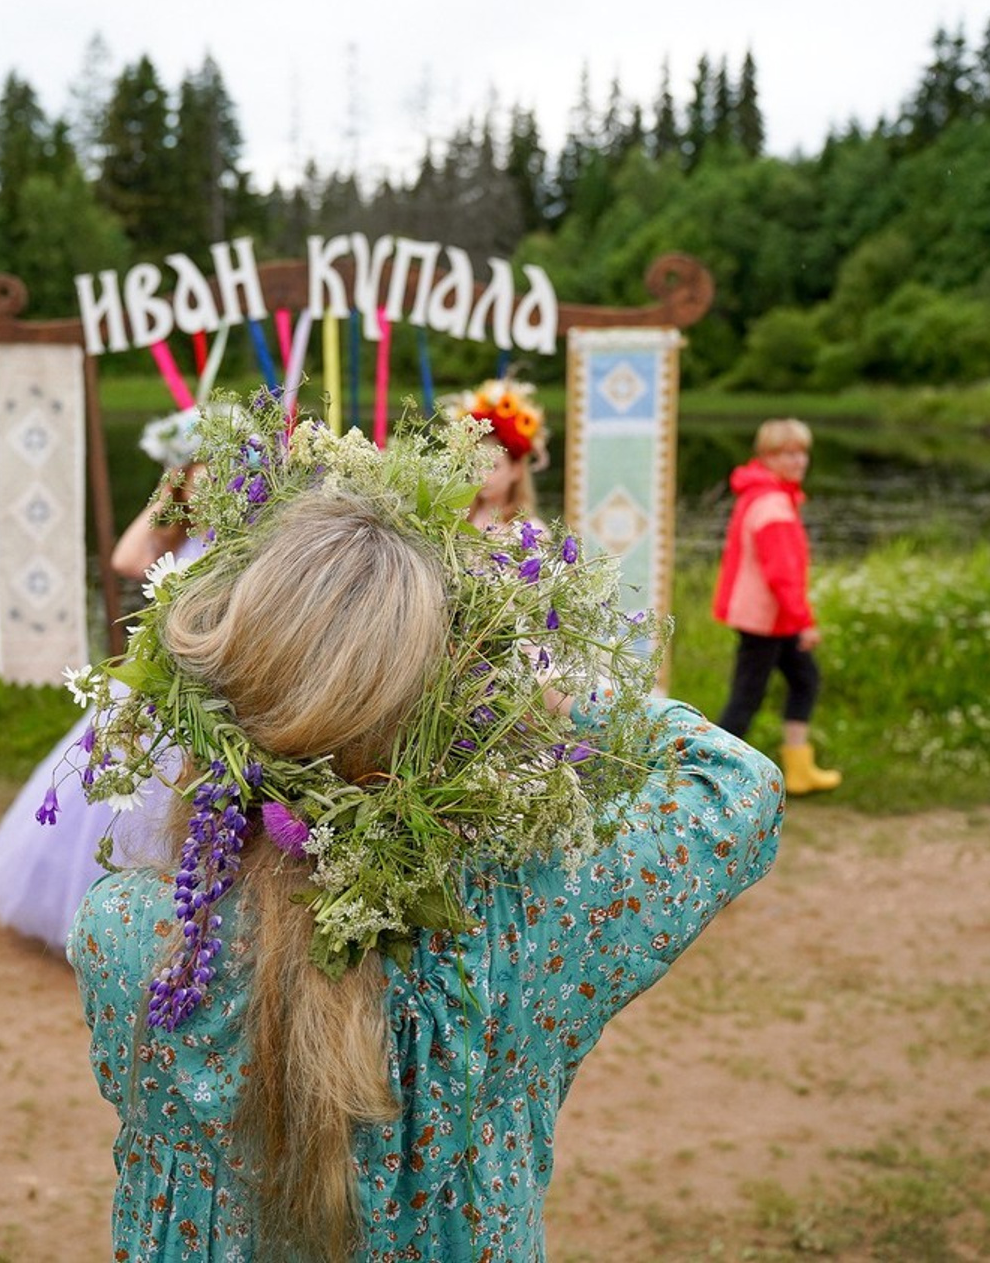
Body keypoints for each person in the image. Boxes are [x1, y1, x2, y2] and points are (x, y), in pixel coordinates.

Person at [66, 399, 783, 1262]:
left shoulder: (130, 940)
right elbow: (738, 785)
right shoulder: (520, 931)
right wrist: (545, 691)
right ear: (450, 707)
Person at [0, 410, 206, 953]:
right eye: (197, 474)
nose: (206, 486)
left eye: (217, 474)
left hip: (203, 691)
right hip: (153, 684)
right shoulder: (181, 539)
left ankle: (176, 926)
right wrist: (170, 485)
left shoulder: (240, 541)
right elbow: (126, 558)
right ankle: (92, 922)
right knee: (108, 793)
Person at [713, 417, 842, 796]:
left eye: (802, 452)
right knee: (747, 697)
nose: (799, 461)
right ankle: (708, 772)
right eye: (787, 453)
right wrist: (804, 621)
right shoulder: (773, 504)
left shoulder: (765, 494)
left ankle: (798, 768)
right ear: (766, 456)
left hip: (769, 615)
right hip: (767, 618)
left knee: (804, 680)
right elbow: (782, 574)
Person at [448, 377, 547, 529]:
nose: (482, 475)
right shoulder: (455, 523)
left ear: (516, 470)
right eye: (476, 465)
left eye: (493, 466)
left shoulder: (531, 530)